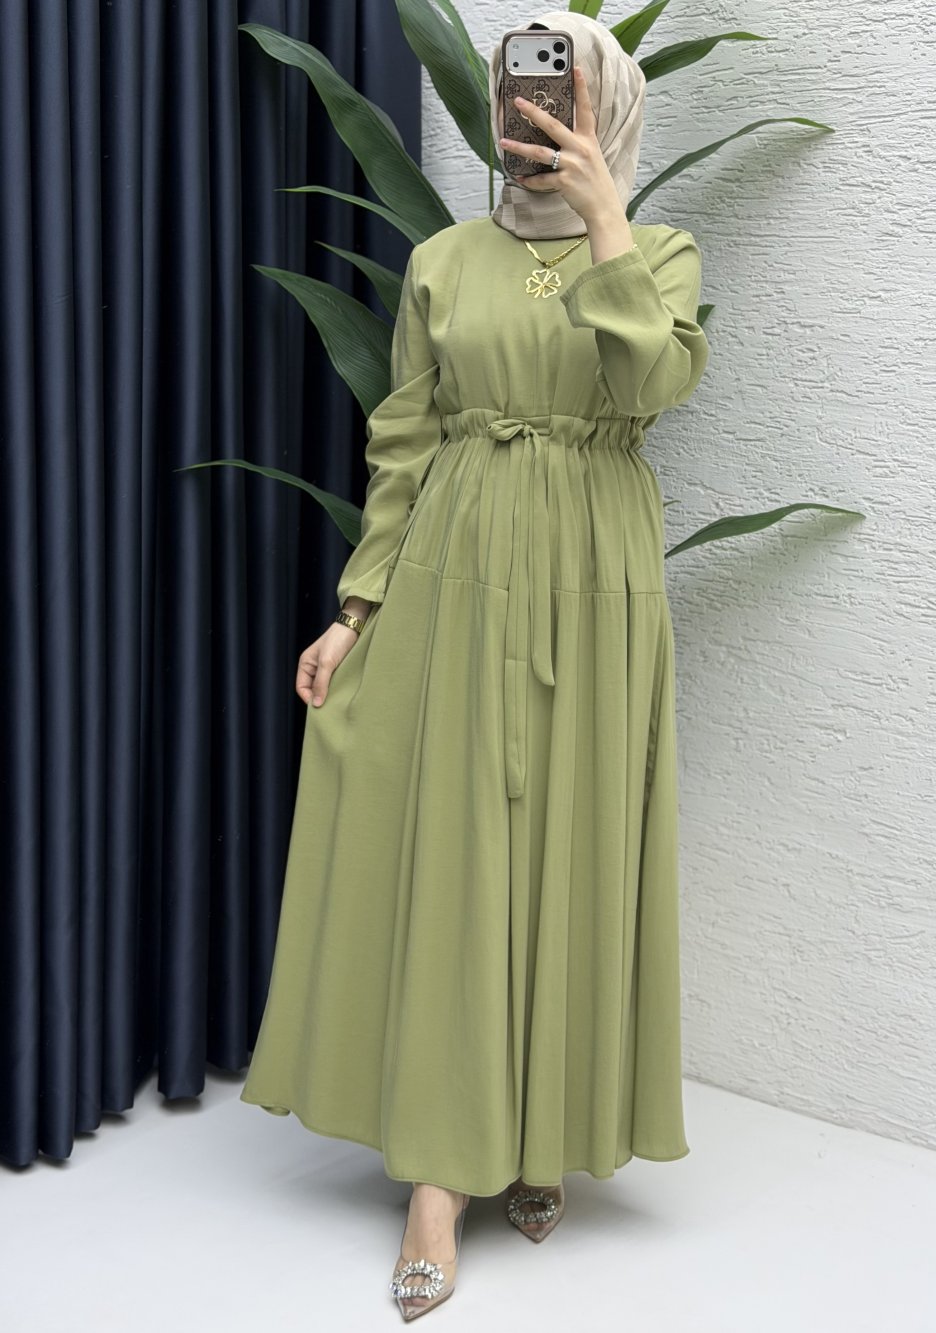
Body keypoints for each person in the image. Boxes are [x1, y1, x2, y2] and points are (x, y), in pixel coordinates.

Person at [239, 9, 709, 1321]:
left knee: (567, 843)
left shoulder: (660, 252)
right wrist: (357, 609)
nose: (525, 110)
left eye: (555, 90)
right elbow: (407, 441)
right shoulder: (445, 259)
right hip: (455, 566)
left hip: (595, 582)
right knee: (458, 857)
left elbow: (650, 387)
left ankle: (537, 1132)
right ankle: (440, 1180)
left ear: (606, 107)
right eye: (510, 87)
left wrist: (605, 218)